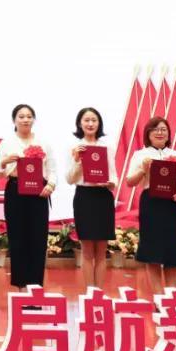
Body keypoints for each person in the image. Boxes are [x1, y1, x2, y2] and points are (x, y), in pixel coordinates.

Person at [123, 116, 176, 296]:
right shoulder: (140, 155)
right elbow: (130, 182)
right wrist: (143, 169)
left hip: (172, 204)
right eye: (155, 129)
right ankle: (159, 297)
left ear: (168, 133)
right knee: (152, 251)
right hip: (151, 204)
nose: (160, 133)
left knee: (172, 252)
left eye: (163, 129)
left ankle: (171, 297)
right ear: (148, 133)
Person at [0, 104, 56, 291]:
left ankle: (36, 287)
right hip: (15, 191)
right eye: (21, 116)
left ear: (34, 120)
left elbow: (52, 169)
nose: (25, 120)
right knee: (17, 238)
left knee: (38, 239)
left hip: (39, 193)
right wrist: (5, 162)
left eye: (29, 116)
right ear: (14, 120)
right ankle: (21, 286)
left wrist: (50, 185)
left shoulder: (43, 142)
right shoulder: (7, 143)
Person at [65, 107, 117, 291]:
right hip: (84, 198)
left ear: (99, 123)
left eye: (94, 120)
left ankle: (99, 294)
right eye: (86, 120)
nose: (90, 124)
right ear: (80, 123)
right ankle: (90, 293)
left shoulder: (107, 147)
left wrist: (110, 183)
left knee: (101, 251)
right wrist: (78, 160)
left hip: (103, 198)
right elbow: (70, 179)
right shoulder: (74, 148)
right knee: (87, 251)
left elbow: (114, 176)